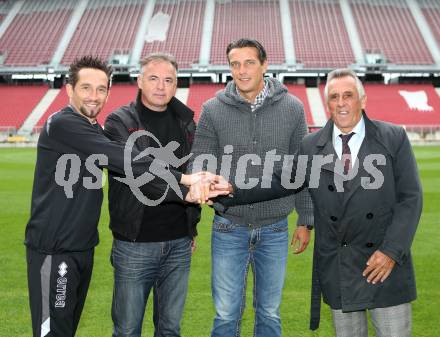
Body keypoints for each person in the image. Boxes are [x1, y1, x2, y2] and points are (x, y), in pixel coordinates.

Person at [218, 68, 423, 337]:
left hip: (384, 265)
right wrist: (232, 188)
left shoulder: (393, 137)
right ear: (327, 104)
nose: (341, 103)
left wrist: (391, 252)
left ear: (362, 100)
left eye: (348, 95)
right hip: (340, 265)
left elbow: (411, 198)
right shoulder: (311, 145)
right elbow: (278, 181)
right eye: (334, 97)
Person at [24, 55, 212, 337]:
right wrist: (184, 180)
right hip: (54, 249)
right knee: (53, 332)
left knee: (66, 328)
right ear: (69, 89)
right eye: (86, 87)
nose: (94, 96)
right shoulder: (64, 124)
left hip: (81, 246)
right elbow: (126, 159)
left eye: (101, 89)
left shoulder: (92, 129)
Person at [188, 38, 314, 337]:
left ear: (264, 64)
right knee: (225, 314)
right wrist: (202, 182)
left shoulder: (293, 108)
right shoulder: (212, 109)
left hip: (275, 227)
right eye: (235, 64)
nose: (242, 71)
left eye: (249, 63)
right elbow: (199, 161)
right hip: (228, 227)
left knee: (269, 312)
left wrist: (306, 220)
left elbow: (303, 168)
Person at [103, 53, 200, 337]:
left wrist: (190, 227)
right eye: (154, 78)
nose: (161, 86)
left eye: (168, 80)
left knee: (170, 328)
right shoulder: (119, 121)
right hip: (135, 244)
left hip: (179, 243)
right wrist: (187, 188)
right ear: (140, 81)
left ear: (176, 84)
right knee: (127, 329)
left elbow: (193, 167)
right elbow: (140, 174)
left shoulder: (186, 122)